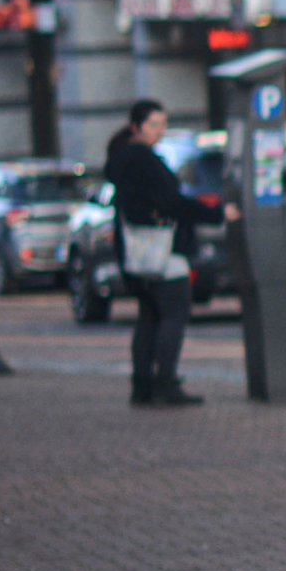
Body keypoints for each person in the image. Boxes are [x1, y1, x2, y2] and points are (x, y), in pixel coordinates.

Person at [104, 100, 236, 406]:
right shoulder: (143, 161)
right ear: (136, 127)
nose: (160, 131)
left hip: (135, 252)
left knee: (149, 316)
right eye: (154, 124)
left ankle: (142, 385)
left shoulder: (122, 159)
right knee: (173, 314)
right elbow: (172, 203)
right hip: (162, 251)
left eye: (163, 124)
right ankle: (165, 383)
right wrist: (215, 213)